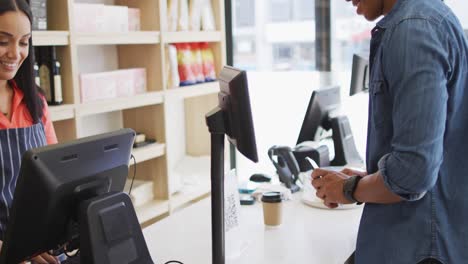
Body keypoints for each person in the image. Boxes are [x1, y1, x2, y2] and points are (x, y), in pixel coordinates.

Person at [311, 0, 468, 263]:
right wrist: (369, 180)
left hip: (417, 247)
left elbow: (414, 172)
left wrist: (350, 189)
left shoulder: (414, 30)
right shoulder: (428, 19)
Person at [0, 0, 58, 263]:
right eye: (3, 41)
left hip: (37, 242)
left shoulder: (36, 103)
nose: (15, 53)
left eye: (24, 42)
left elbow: (55, 176)